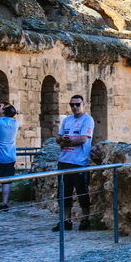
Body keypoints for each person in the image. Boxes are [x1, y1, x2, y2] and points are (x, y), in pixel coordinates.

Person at [55, 94, 95, 231]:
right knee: (64, 193)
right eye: (72, 105)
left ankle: (85, 220)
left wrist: (68, 141)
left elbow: (83, 139)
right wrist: (62, 140)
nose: (75, 107)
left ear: (84, 105)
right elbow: (58, 138)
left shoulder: (87, 120)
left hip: (79, 162)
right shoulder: (67, 120)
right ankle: (66, 220)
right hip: (64, 161)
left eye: (78, 104)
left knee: (82, 193)